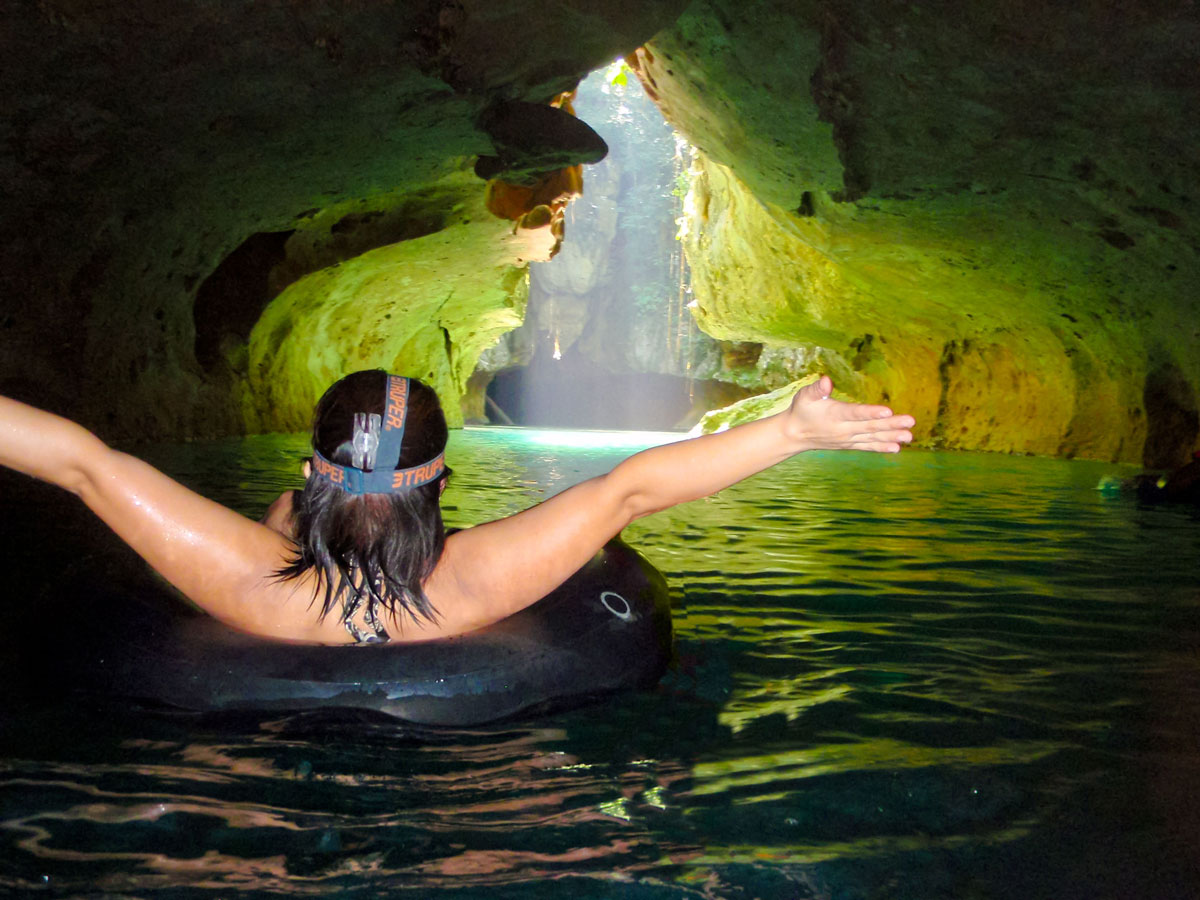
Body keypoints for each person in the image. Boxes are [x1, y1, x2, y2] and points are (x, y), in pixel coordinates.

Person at [0, 370, 915, 644]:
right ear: (438, 482)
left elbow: (83, 464)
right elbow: (631, 488)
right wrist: (793, 432)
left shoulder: (244, 582)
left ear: (319, 474)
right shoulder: (475, 583)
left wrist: (286, 523)